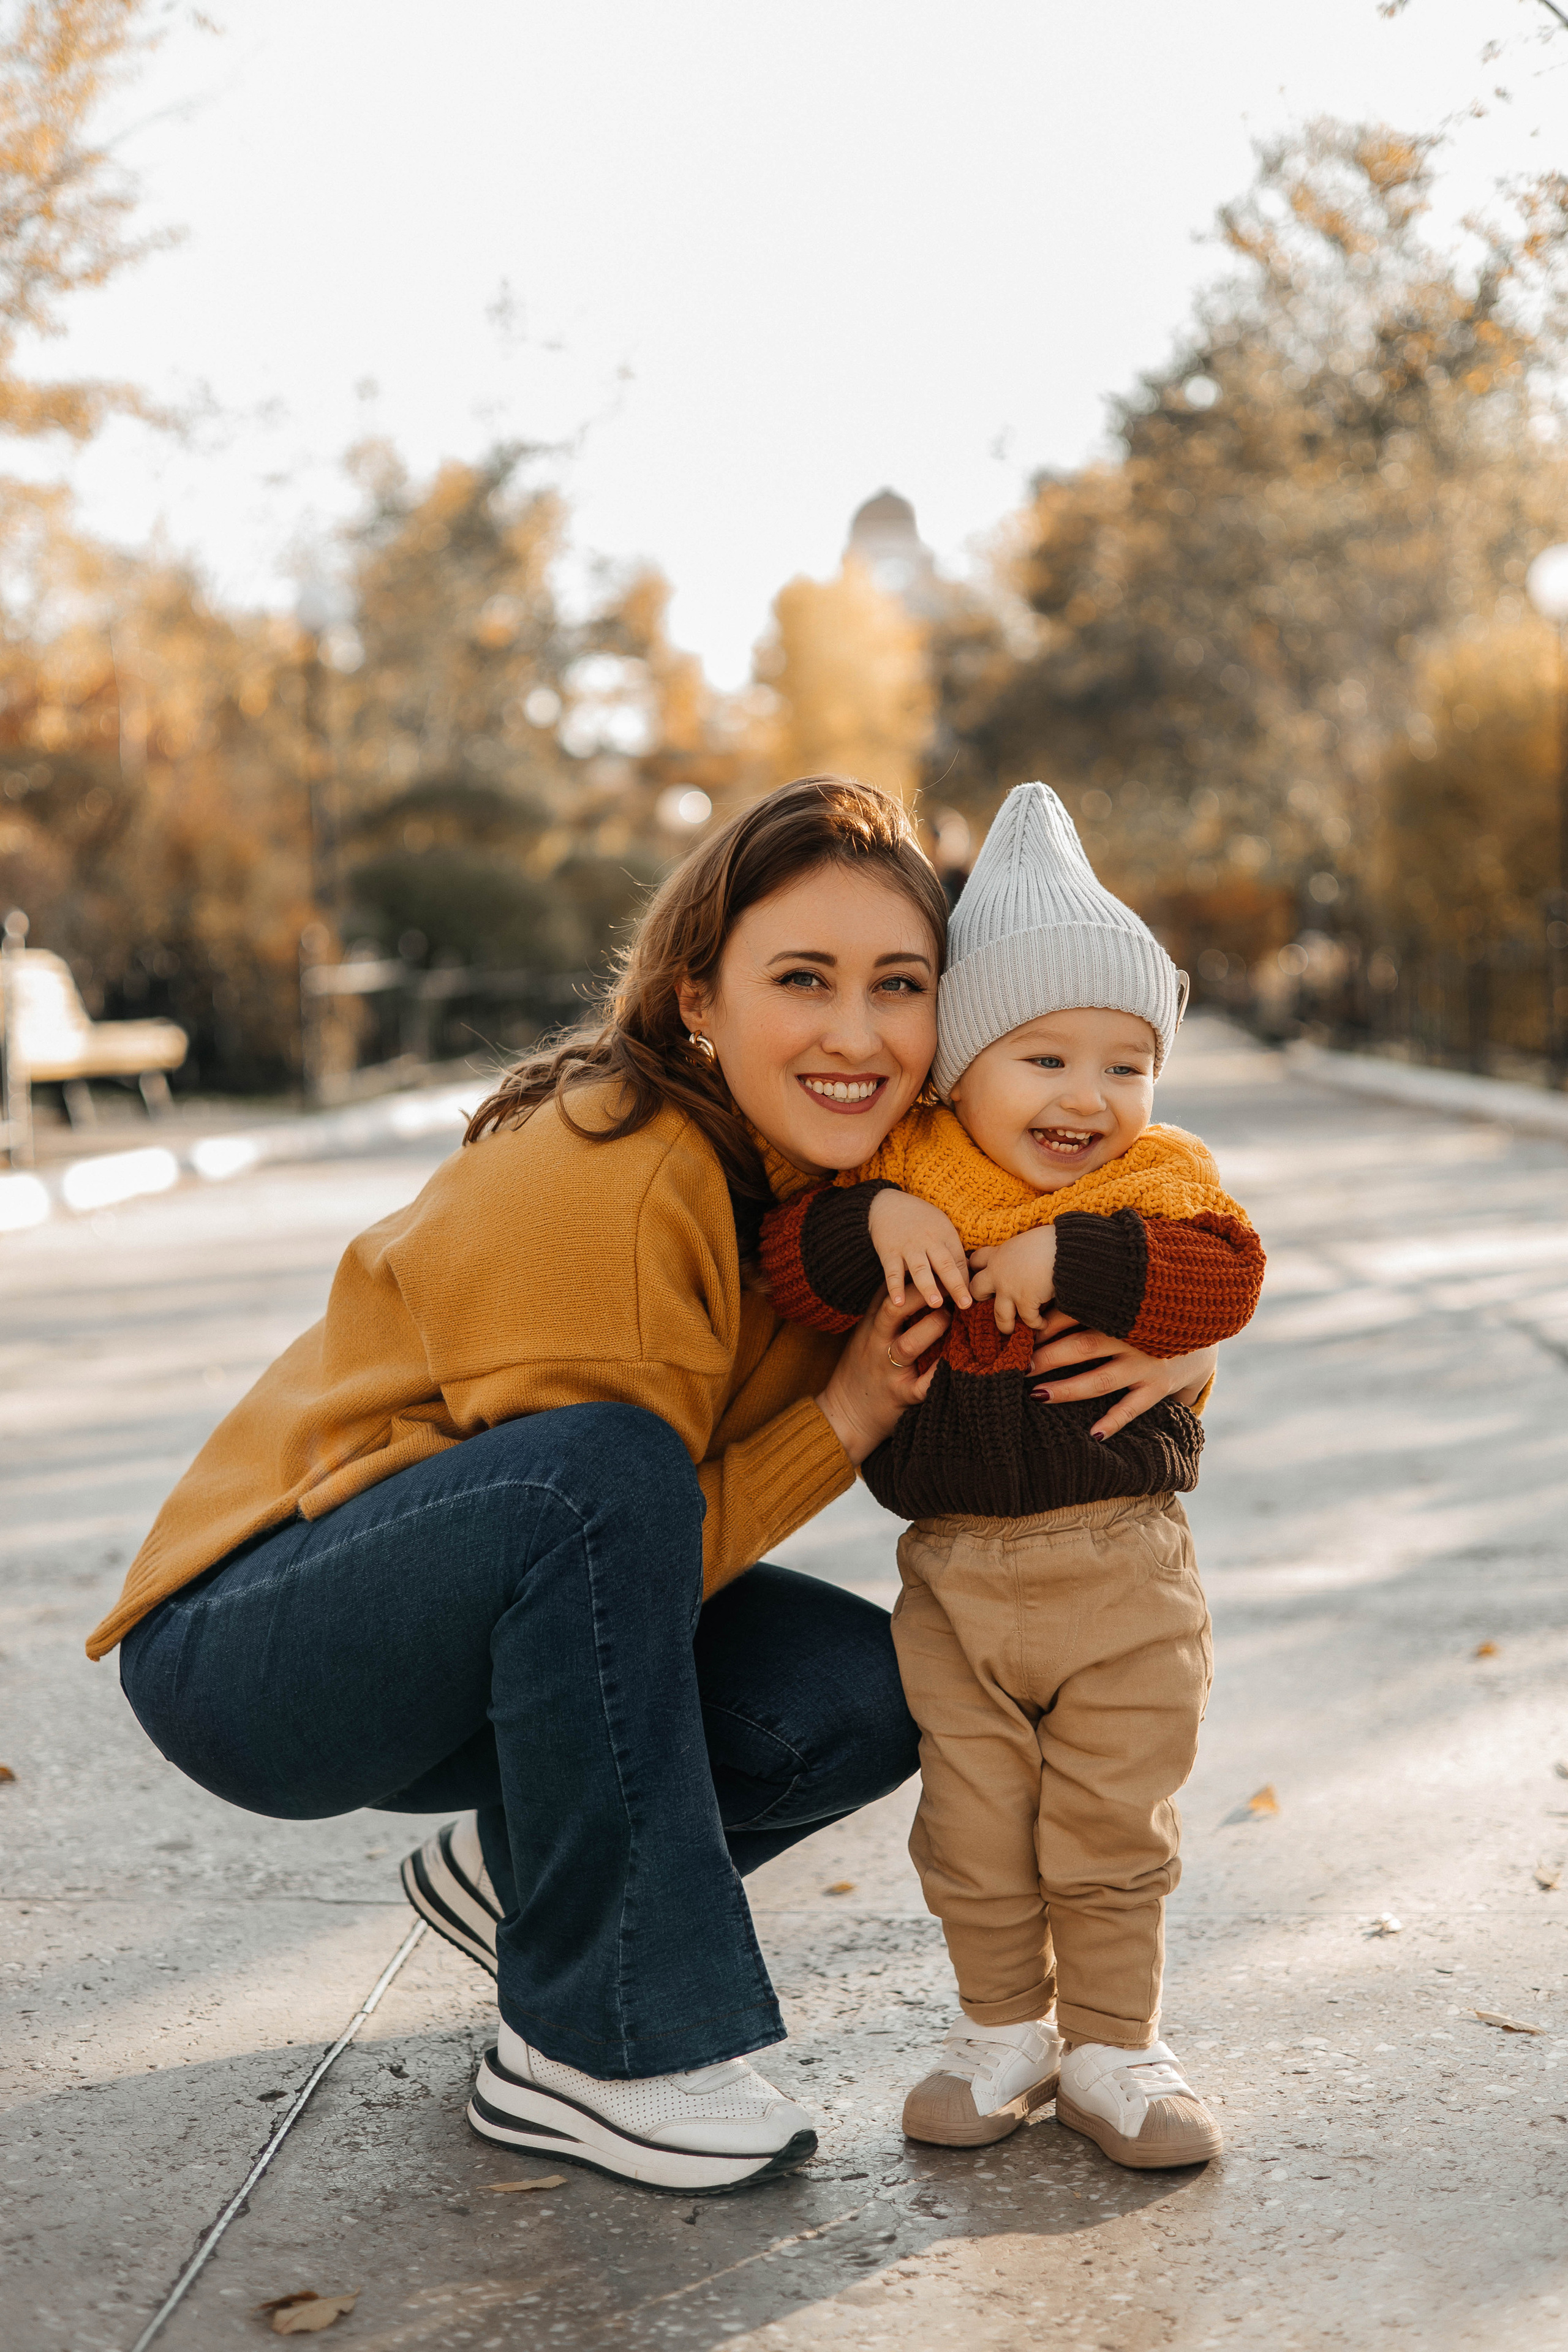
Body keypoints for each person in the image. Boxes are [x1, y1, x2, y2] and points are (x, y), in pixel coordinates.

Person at [91, 775, 1220, 2196]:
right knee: (605, 1471)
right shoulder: (621, 1178)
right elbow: (596, 1555)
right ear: (698, 997)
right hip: (262, 1649)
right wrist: (845, 1414)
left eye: (898, 985)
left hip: (484, 1616)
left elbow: (1101, 1248)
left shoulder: (849, 1188)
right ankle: (592, 2044)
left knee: (863, 1692)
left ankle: (524, 1884)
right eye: (800, 979)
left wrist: (1178, 1343)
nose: (855, 1033)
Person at [760, 782, 1262, 2170]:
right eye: (1043, 1058)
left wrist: (1077, 1257)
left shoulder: (1154, 1183)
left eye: (1125, 1064)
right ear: (958, 1069)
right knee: (973, 1834)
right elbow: (795, 1265)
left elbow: (1228, 1273)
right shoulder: (904, 1170)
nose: (1087, 1097)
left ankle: (1112, 2046)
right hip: (956, 1581)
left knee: (1111, 1823)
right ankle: (1001, 2035)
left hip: (1125, 1570)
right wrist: (880, 1216)